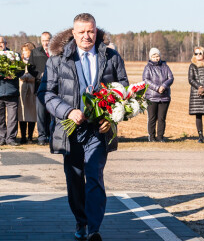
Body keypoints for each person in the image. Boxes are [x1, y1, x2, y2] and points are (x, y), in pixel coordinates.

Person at [39, 13, 128, 241]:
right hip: (70, 131)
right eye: (81, 32)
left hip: (98, 131)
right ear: (73, 33)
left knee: (94, 176)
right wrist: (68, 111)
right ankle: (81, 220)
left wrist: (114, 117)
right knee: (75, 179)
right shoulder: (57, 60)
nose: (86, 36)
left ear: (96, 31)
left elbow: (123, 90)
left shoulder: (111, 57)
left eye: (90, 31)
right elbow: (46, 93)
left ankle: (93, 229)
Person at [142, 47, 174, 142]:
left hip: (164, 97)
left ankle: (160, 137)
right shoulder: (148, 67)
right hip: (151, 97)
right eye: (154, 56)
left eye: (157, 55)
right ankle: (151, 137)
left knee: (162, 118)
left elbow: (171, 78)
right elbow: (146, 80)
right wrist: (157, 88)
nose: (156, 58)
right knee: (152, 118)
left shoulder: (165, 66)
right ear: (151, 57)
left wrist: (164, 86)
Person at [29, 31, 53, 145]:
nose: (45, 43)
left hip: (54, 88)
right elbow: (30, 68)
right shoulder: (35, 52)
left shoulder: (56, 52)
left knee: (53, 113)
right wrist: (39, 75)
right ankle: (42, 137)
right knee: (41, 113)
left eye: (47, 40)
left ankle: (52, 135)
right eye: (43, 40)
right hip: (40, 87)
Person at [18, 43, 37, 143]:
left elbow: (37, 74)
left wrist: (30, 78)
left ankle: (30, 136)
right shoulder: (19, 62)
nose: (24, 53)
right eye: (23, 51)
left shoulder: (35, 62)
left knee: (32, 112)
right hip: (22, 89)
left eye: (26, 50)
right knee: (22, 113)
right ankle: (23, 136)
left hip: (32, 88)